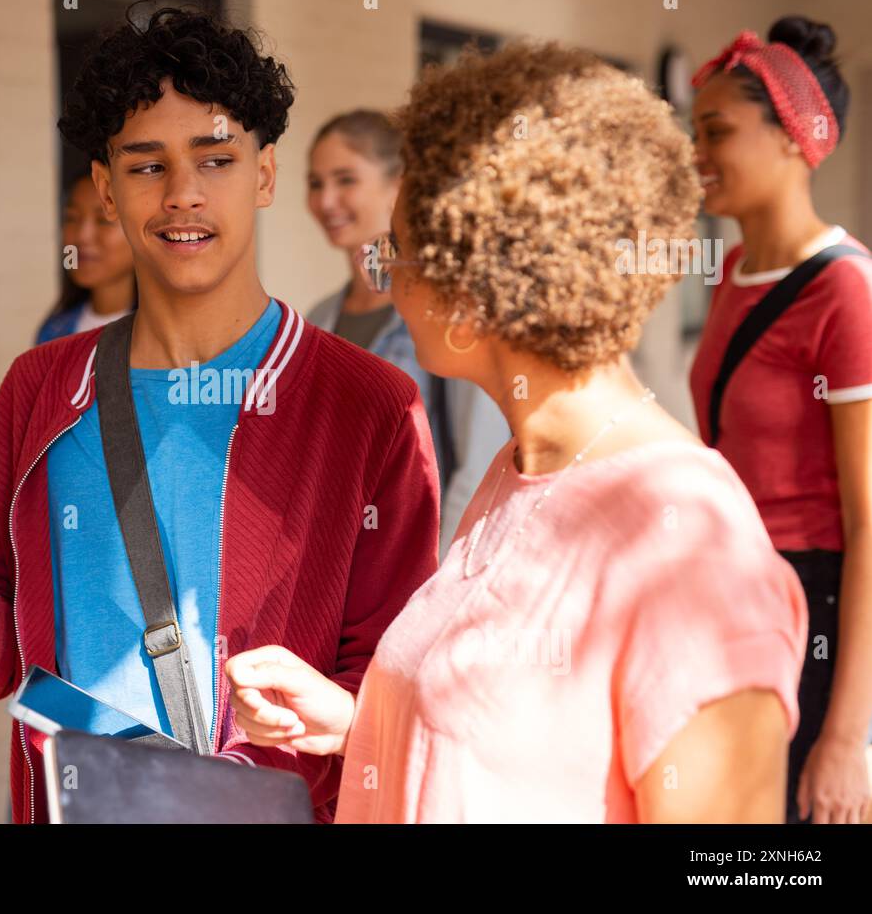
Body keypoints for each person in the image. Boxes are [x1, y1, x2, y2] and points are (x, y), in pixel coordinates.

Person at [0, 6, 441, 824]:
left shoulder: (370, 405)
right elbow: (2, 659)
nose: (184, 194)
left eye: (217, 158)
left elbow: (396, 683)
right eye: (147, 165)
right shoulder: (39, 390)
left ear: (265, 175)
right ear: (105, 186)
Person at [225, 41, 807, 823]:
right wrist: (362, 724)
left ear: (475, 282)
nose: (387, 274)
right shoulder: (519, 468)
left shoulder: (689, 544)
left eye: (400, 249)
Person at [688, 16, 872, 825]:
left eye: (717, 131)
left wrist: (848, 735)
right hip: (732, 596)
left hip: (819, 610)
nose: (697, 153)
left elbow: (871, 522)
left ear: (797, 138)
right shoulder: (730, 271)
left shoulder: (846, 290)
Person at [304, 110, 507, 558]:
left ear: (397, 184)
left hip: (423, 573)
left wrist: (433, 590)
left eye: (345, 179)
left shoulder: (445, 316)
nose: (327, 200)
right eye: (316, 183)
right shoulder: (318, 321)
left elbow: (476, 468)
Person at [35, 174, 136, 344]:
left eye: (103, 220)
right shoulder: (52, 332)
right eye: (71, 218)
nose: (82, 236)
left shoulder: (164, 334)